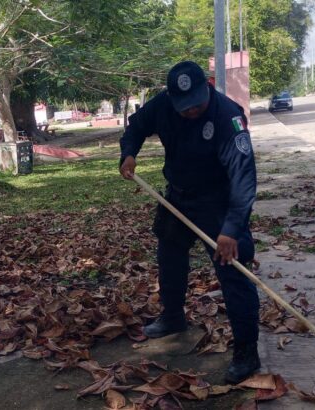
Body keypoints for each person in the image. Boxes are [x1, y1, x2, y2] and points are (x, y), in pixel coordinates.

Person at [119, 61, 259, 384]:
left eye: (197, 103)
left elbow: (243, 177)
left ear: (207, 88)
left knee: (233, 271)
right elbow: (137, 126)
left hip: (218, 202)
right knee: (169, 255)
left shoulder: (228, 116)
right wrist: (128, 153)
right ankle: (172, 316)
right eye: (185, 106)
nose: (192, 110)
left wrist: (232, 228)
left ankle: (247, 353)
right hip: (178, 197)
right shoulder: (164, 105)